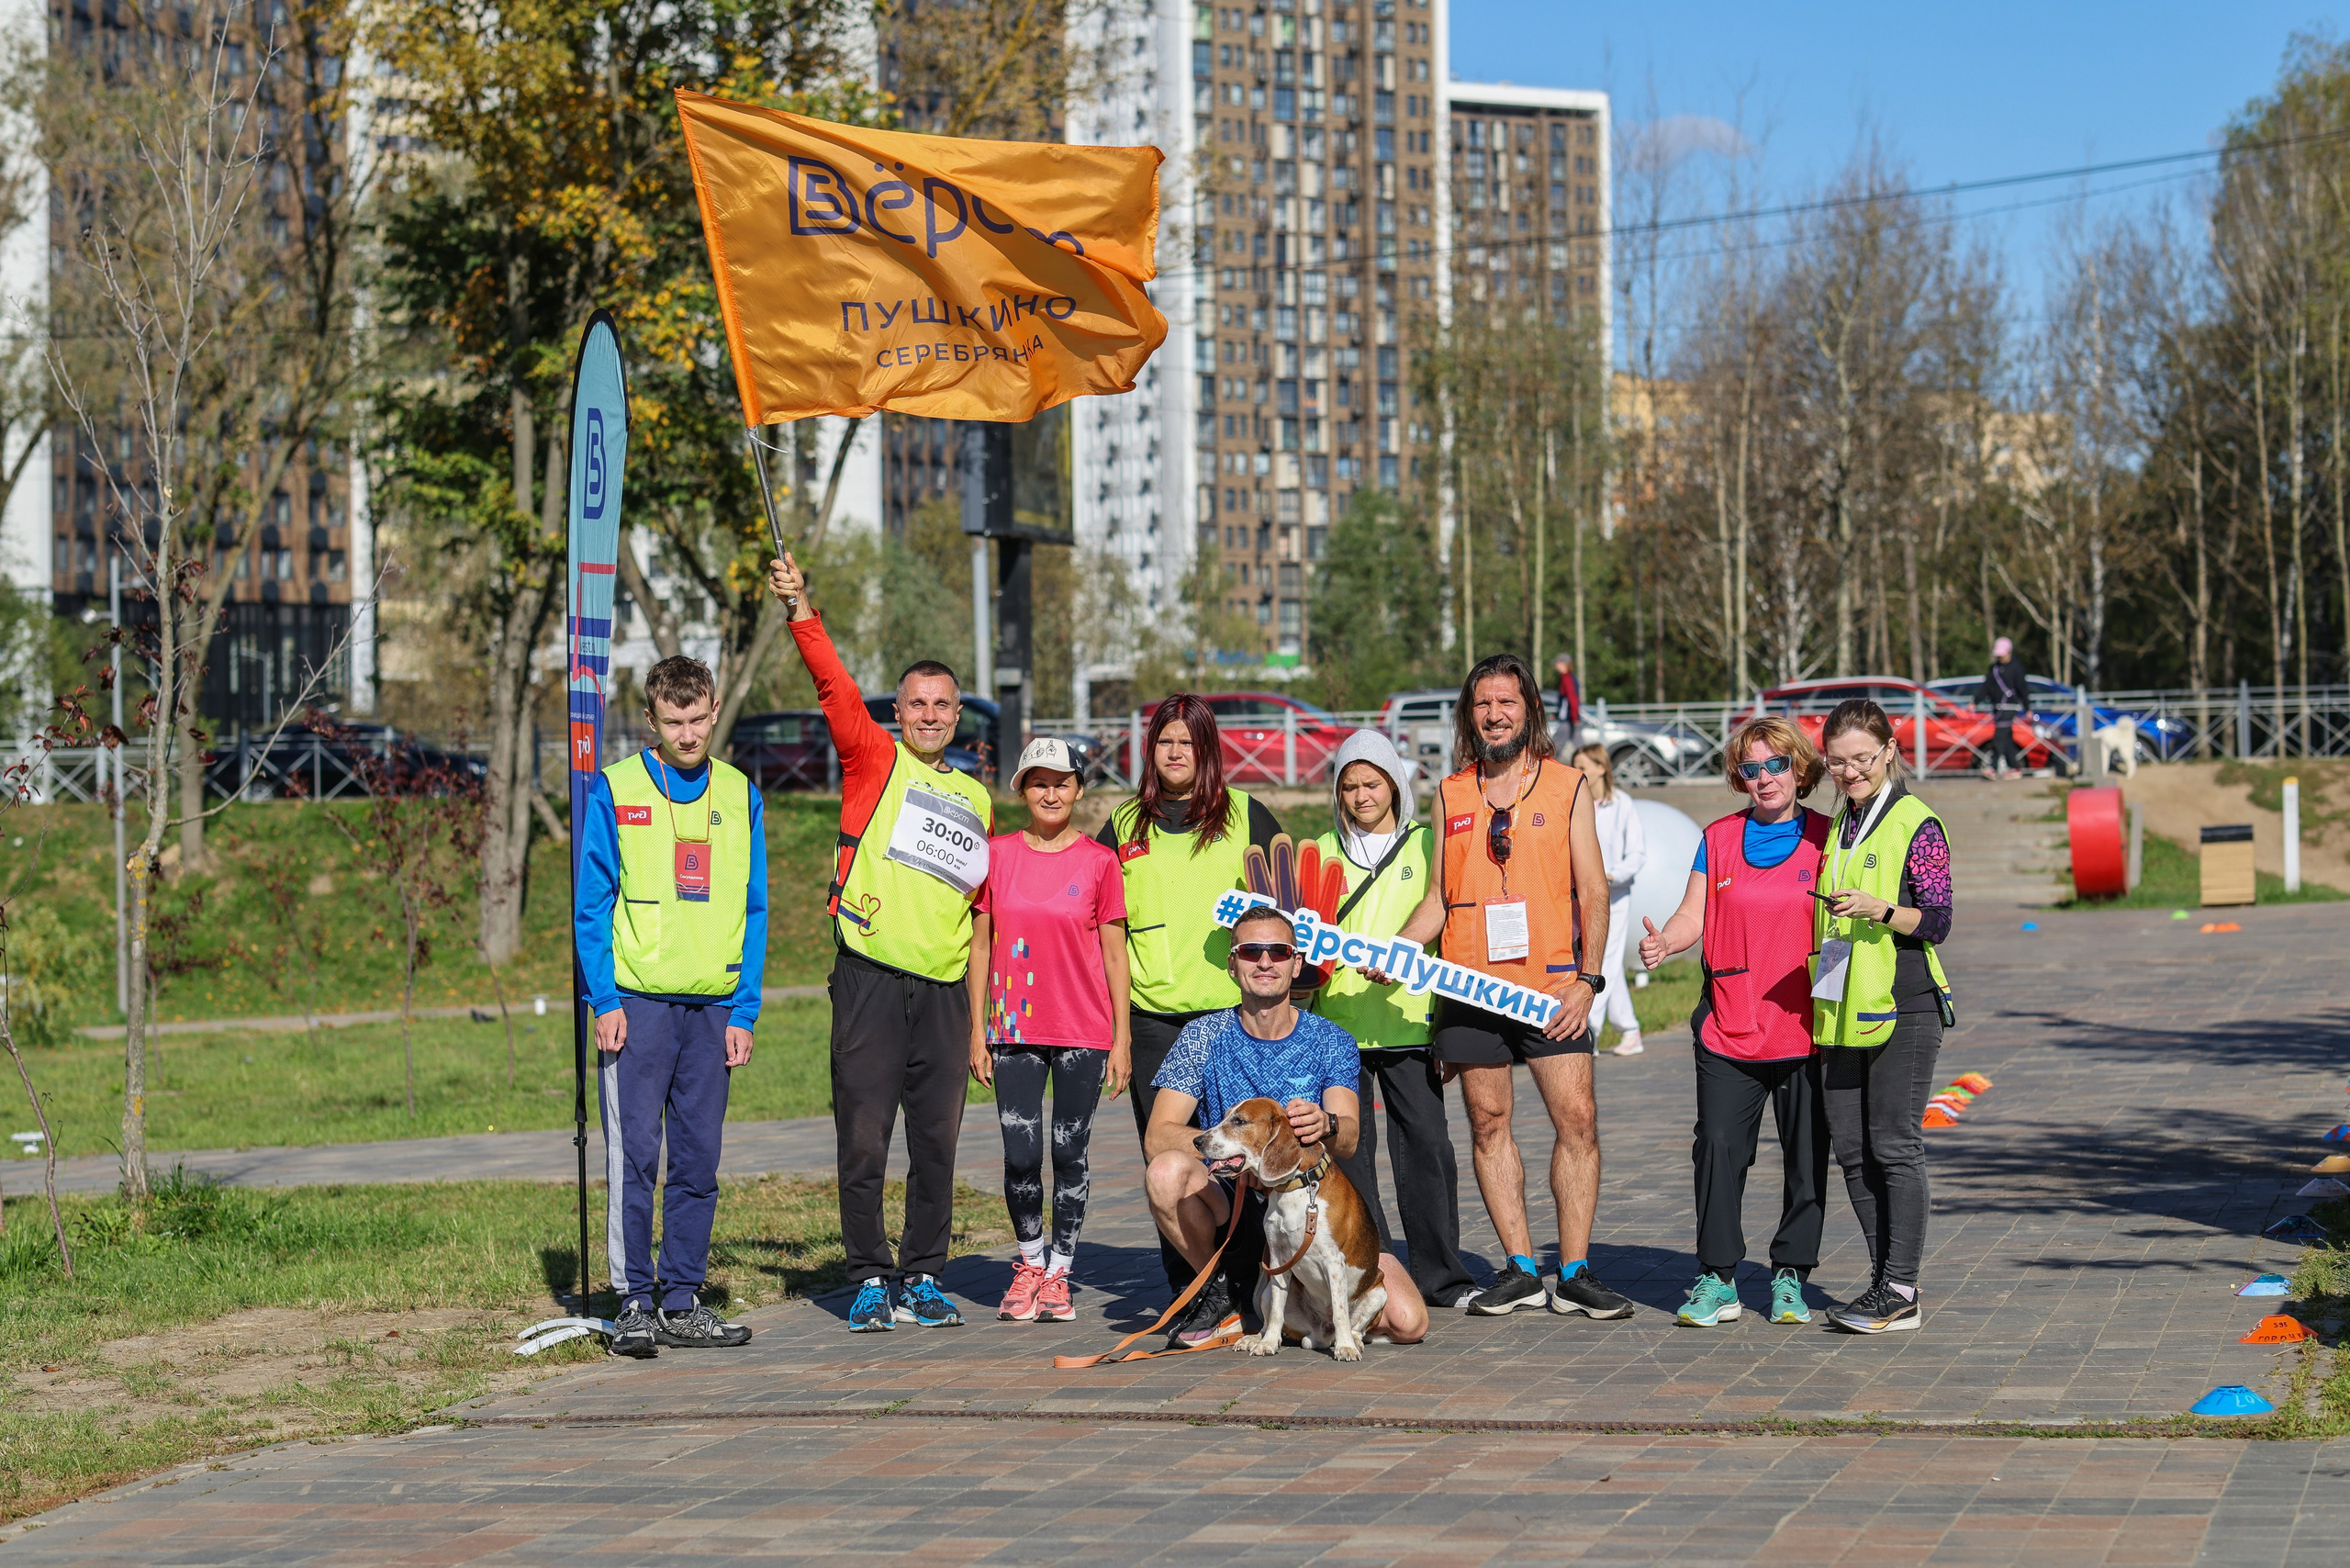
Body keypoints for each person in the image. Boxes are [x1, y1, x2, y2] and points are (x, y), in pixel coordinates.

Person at [768, 552, 993, 1334]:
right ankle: (868, 1277)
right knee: (863, 1142)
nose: (930, 715)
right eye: (917, 704)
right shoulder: (874, 759)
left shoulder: (974, 797)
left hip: (943, 997)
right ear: (897, 713)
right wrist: (803, 610)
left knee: (936, 1149)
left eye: (943, 706)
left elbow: (981, 915)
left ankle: (924, 1276)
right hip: (867, 982)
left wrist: (981, 1017)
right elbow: (831, 684)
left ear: (956, 716)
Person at [1375, 654, 1632, 1321]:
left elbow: (1594, 892)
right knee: (1488, 1125)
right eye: (1482, 705)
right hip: (1468, 987)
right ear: (1469, 715)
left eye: (1506, 704)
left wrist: (1589, 979)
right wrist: (1401, 949)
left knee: (1576, 1120)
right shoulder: (1451, 791)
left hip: (1551, 987)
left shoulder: (1568, 785)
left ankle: (1574, 1271)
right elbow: (1438, 897)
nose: (1493, 715)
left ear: (1529, 711)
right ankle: (1520, 1269)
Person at [576, 654, 765, 1357]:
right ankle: (632, 1302)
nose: (687, 735)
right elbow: (591, 905)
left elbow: (755, 909)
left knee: (697, 1160)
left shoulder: (743, 794)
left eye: (697, 719)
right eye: (673, 722)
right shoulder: (616, 788)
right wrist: (603, 998)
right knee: (635, 1157)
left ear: (714, 712)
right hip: (635, 1006)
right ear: (651, 720)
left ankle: (683, 1300)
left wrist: (744, 1009)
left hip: (713, 1010)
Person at [1143, 902, 1431, 1350]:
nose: (1264, 962)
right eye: (1250, 951)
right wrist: (1247, 1155)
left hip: (1312, 1204)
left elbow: (1350, 1139)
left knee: (1408, 1322)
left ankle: (1303, 1307)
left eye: (1278, 951)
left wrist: (1327, 1122)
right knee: (1164, 1172)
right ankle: (1221, 1294)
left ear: (1297, 963)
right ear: (1232, 962)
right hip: (1236, 1203)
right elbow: (1158, 1135)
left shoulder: (1330, 1038)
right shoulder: (1201, 1035)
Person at [1637, 716, 1833, 1328]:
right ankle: (1718, 1276)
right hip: (1730, 1024)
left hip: (1804, 1027)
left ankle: (1790, 1276)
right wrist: (1666, 942)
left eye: (1777, 764)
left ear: (1798, 768)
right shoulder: (1718, 838)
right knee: (1718, 1149)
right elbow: (1694, 913)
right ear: (1739, 777)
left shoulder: (1830, 836)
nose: (1766, 778)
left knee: (1806, 1158)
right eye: (1752, 769)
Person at [1096, 693, 1284, 1302]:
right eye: (1166, 741)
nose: (1176, 752)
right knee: (1174, 1158)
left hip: (1232, 1023)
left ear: (1207, 751)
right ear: (1151, 750)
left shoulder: (1248, 816)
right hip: (1152, 1024)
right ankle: (1195, 1290)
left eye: (1189, 742)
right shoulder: (1124, 826)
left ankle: (1263, 1279)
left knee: (1243, 1155)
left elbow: (1288, 919)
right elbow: (1099, 923)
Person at [1308, 730, 1475, 1307]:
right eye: (1348, 785)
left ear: (1396, 784)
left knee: (1428, 1150)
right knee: (1351, 1160)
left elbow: (1449, 929)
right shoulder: (1321, 851)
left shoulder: (1428, 845)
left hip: (1409, 1022)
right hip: (1339, 1032)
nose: (1360, 795)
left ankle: (1441, 1276)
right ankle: (1370, 1271)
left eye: (1372, 782)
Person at [968, 738, 1132, 1324]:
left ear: (1079, 790)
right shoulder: (996, 856)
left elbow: (1116, 956)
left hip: (1084, 1030)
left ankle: (1061, 1271)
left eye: (1062, 782)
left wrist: (1122, 1039)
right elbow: (980, 947)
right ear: (1021, 789)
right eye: (1039, 781)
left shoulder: (1099, 862)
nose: (1051, 792)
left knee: (1069, 1152)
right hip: (1013, 1027)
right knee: (1019, 1154)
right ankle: (1029, 1262)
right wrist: (976, 1031)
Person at [1814, 699, 1954, 1335]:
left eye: (1861, 759)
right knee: (1851, 1147)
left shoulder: (1916, 823)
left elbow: (1940, 921)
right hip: (1843, 1000)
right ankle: (1884, 1282)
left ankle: (1901, 1287)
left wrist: (1881, 909)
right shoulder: (1839, 823)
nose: (1850, 772)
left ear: (1889, 751)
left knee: (1894, 1143)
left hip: (1904, 1000)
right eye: (1837, 762)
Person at [1571, 743, 1648, 1057]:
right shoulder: (1576, 803)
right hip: (1580, 896)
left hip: (1614, 896)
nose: (1579, 773)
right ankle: (1630, 1030)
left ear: (1602, 768)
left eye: (1584, 766)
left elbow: (1638, 853)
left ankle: (1590, 1029)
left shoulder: (1623, 804)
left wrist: (1613, 875)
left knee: (1602, 962)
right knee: (1604, 961)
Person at [1973, 637, 2031, 778]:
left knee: (1999, 736)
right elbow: (1986, 687)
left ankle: (1992, 767)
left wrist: (2028, 707)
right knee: (2006, 738)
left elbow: (2022, 688)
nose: (2000, 658)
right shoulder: (1994, 668)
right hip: (1997, 707)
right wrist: (1976, 701)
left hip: (2010, 706)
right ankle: (2015, 767)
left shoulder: (2016, 667)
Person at [1552, 654, 1583, 730]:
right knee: (1578, 741)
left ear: (1564, 664)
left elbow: (1572, 698)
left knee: (1557, 741)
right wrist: (1557, 714)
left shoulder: (1567, 679)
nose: (1556, 666)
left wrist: (1574, 717)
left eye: (1557, 663)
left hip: (1567, 719)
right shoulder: (1568, 678)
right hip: (1570, 717)